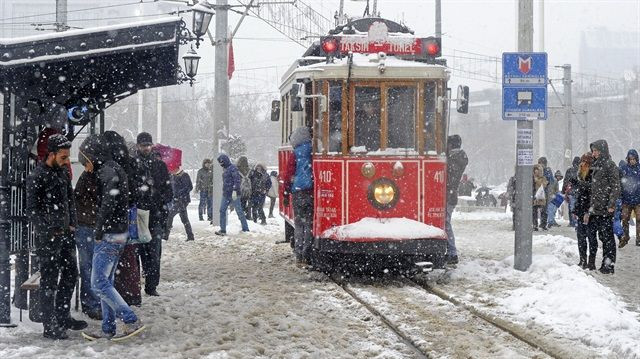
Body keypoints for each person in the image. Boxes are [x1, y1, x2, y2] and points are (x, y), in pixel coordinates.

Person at [26, 134, 87, 340]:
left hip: (66, 234)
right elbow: (32, 210)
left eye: (67, 157)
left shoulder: (62, 172)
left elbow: (69, 198)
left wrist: (72, 223)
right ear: (50, 154)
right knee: (50, 281)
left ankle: (62, 315)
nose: (66, 160)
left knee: (71, 275)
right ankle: (49, 323)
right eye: (62, 157)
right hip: (48, 238)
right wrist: (49, 228)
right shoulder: (37, 176)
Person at [87, 132, 145, 339]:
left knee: (98, 283)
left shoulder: (107, 170)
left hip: (110, 233)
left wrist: (99, 229)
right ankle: (107, 328)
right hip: (120, 232)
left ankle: (130, 320)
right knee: (106, 282)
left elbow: (108, 202)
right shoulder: (117, 167)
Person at [102, 131, 142, 307]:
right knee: (129, 256)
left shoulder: (108, 166)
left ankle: (117, 293)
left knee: (112, 259)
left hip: (113, 218)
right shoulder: (130, 162)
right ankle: (131, 293)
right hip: (127, 216)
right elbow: (137, 190)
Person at [132, 132, 173, 296]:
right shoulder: (132, 165)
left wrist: (157, 199)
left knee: (154, 254)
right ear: (138, 146)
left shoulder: (159, 166)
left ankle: (151, 285)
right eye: (143, 145)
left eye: (148, 145)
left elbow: (168, 192)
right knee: (137, 253)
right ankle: (136, 285)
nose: (146, 148)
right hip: (138, 215)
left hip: (154, 215)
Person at [74, 135, 102, 320]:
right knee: (90, 268)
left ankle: (92, 302)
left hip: (87, 225)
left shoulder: (89, 177)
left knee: (89, 267)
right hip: (88, 226)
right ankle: (91, 303)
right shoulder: (92, 178)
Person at [588, 140, 620, 274]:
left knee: (607, 238)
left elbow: (615, 186)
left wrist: (611, 204)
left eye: (596, 151)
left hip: (606, 209)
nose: (594, 153)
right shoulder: (594, 165)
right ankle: (602, 263)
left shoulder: (610, 165)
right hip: (595, 208)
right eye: (593, 151)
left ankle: (608, 264)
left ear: (602, 151)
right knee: (598, 236)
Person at [283, 127, 314, 265]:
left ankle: (299, 254)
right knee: (309, 224)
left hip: (298, 191)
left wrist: (286, 191)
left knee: (299, 224)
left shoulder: (295, 153)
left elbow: (288, 173)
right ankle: (308, 253)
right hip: (310, 191)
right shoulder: (313, 149)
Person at [444, 135, 468, 265]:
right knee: (446, 222)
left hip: (449, 195)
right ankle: (451, 251)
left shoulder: (453, 160)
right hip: (451, 195)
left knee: (446, 223)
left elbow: (450, 178)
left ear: (451, 146)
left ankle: (452, 252)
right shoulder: (458, 158)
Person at [215, 154, 250, 235]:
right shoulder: (226, 169)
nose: (221, 164)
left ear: (225, 161)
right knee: (222, 210)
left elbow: (237, 180)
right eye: (220, 163)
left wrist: (235, 189)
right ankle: (223, 229)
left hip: (233, 194)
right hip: (226, 194)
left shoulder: (232, 168)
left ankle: (245, 228)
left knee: (239, 211)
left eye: (222, 162)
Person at [573, 153, 597, 270]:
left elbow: (593, 190)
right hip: (581, 209)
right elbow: (579, 194)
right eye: (582, 162)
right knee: (581, 236)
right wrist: (576, 210)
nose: (582, 164)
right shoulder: (580, 174)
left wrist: (589, 211)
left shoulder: (594, 174)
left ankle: (591, 262)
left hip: (590, 210)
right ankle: (582, 260)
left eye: (585, 163)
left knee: (591, 237)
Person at [166, 167, 195, 241]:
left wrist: (179, 194)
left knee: (170, 215)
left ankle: (165, 235)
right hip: (177, 200)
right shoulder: (173, 176)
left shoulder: (184, 175)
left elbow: (189, 187)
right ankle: (190, 236)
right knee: (184, 218)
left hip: (182, 200)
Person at [619, 149, 640, 248]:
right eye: (630, 159)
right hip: (626, 200)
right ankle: (626, 237)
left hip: (638, 200)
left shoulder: (639, 169)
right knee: (625, 219)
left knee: (639, 220)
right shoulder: (624, 169)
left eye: (634, 159)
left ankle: (639, 238)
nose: (632, 161)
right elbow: (620, 183)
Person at [563, 157, 581, 227]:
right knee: (578, 206)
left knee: (571, 207)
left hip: (571, 191)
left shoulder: (569, 170)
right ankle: (577, 221)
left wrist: (564, 190)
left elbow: (566, 181)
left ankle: (572, 222)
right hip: (579, 192)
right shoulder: (581, 170)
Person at [532, 164, 549, 231]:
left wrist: (537, 181)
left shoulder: (543, 178)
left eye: (537, 170)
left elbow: (545, 185)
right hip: (534, 196)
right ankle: (535, 225)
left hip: (541, 197)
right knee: (534, 211)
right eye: (535, 170)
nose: (536, 171)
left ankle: (543, 224)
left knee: (544, 211)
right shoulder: (531, 178)